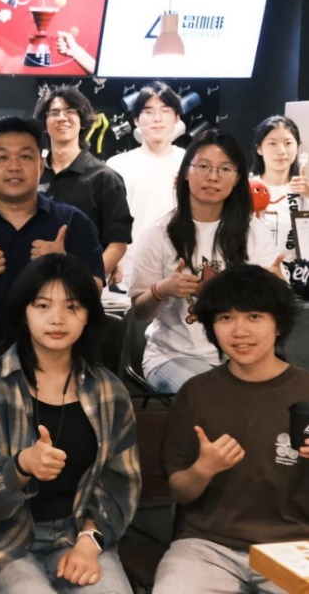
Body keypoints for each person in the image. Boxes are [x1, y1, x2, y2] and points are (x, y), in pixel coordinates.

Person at [0, 254, 140, 594]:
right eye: (42, 305)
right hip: (6, 541)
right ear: (24, 313)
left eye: (72, 307)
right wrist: (20, 467)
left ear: (88, 315)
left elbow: (121, 484)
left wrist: (89, 541)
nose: (57, 318)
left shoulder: (108, 391)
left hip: (80, 535)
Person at [154, 263, 309, 593]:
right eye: (226, 318)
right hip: (207, 546)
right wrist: (203, 469)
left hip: (296, 546)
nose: (240, 331)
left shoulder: (305, 390)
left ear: (279, 324)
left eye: (254, 316)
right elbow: (179, 491)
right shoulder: (196, 392)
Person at [0, 116, 104, 392]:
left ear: (40, 164)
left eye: (25, 156)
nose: (14, 166)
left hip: (59, 364)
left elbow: (94, 294)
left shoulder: (73, 223)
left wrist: (65, 266)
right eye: (2, 158)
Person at [128, 130, 281, 394]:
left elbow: (275, 309)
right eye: (203, 166)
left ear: (237, 178)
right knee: (218, 397)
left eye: (225, 169)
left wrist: (275, 288)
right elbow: (140, 312)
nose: (213, 176)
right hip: (174, 356)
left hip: (243, 355)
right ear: (186, 173)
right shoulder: (158, 234)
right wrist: (161, 290)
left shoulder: (254, 232)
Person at [34, 85, 132, 285]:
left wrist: (88, 284)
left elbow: (118, 244)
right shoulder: (33, 174)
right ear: (44, 122)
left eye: (70, 111)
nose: (62, 118)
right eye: (54, 113)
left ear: (82, 120)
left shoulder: (105, 178)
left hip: (82, 287)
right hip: (33, 283)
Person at [105, 82, 185, 282]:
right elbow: (108, 222)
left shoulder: (191, 163)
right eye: (148, 112)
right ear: (136, 120)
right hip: (129, 271)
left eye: (165, 110)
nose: (157, 118)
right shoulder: (117, 165)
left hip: (182, 270)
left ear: (176, 117)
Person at [250, 115, 309, 261]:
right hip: (254, 271)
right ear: (259, 149)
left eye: (288, 143)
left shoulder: (304, 190)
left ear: (297, 146)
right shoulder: (247, 188)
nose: (281, 150)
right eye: (272, 143)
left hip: (297, 272)